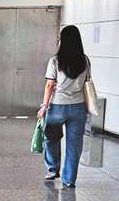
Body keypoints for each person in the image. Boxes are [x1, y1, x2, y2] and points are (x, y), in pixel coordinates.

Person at [37, 24, 90, 188]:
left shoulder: (55, 61)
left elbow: (49, 85)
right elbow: (87, 82)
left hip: (57, 106)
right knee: (74, 145)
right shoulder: (85, 60)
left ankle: (53, 169)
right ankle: (69, 179)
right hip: (78, 107)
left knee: (51, 138)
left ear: (63, 41)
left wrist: (44, 106)